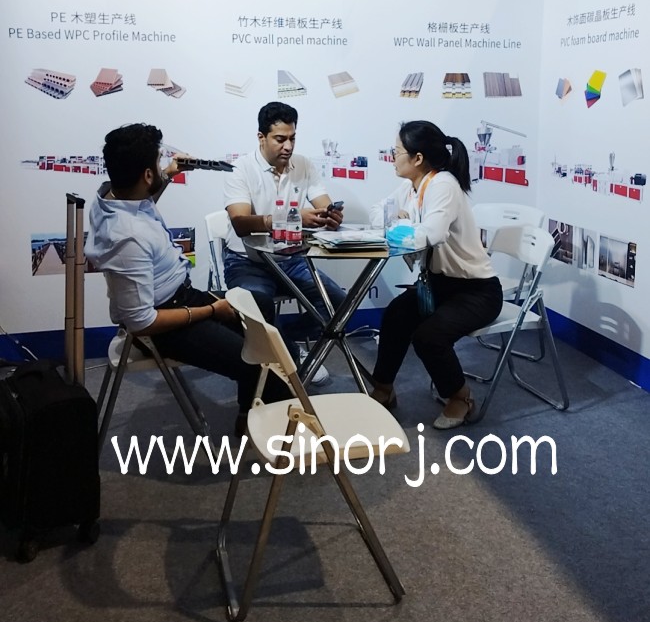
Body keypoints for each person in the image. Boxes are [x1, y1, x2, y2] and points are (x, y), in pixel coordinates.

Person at [85, 123, 289, 437]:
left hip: (181, 297)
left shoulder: (110, 197)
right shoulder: (127, 239)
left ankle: (249, 412)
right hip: (164, 324)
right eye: (157, 164)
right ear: (146, 175)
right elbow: (142, 322)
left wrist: (169, 173)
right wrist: (212, 311)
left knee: (260, 305)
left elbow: (143, 203)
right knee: (263, 361)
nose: (160, 167)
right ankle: (275, 430)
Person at [367, 121, 502, 430]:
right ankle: (383, 389)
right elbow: (377, 213)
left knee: (429, 337)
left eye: (396, 151)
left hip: (476, 291)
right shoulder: (412, 185)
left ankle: (461, 397)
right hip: (439, 285)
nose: (392, 157)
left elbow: (431, 234)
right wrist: (397, 219)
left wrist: (399, 224)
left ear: (417, 158)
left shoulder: (443, 185)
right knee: (395, 316)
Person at [222, 101, 346, 363]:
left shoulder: (303, 165)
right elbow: (240, 223)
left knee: (340, 304)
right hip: (247, 262)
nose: (288, 146)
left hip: (291, 259)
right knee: (257, 309)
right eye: (280, 139)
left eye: (292, 138)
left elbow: (323, 203)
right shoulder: (240, 168)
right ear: (261, 137)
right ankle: (290, 354)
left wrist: (330, 216)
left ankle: (285, 342)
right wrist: (291, 218)